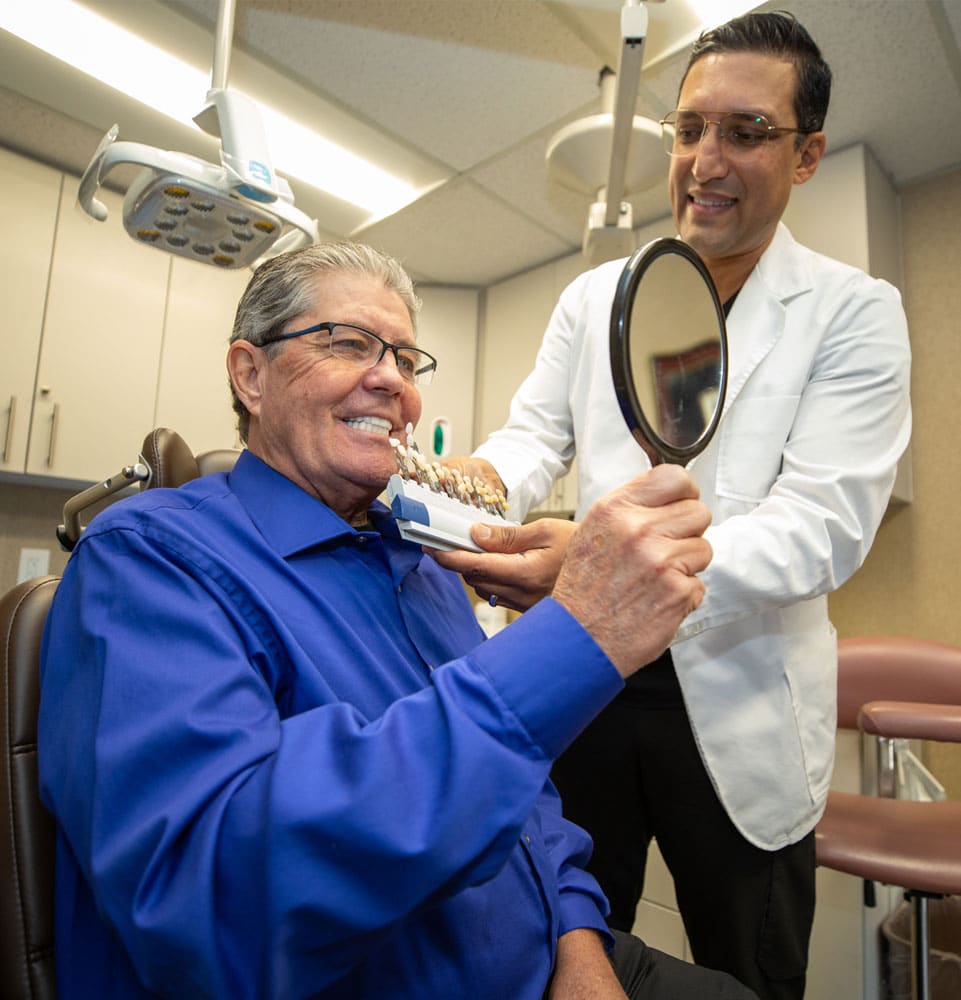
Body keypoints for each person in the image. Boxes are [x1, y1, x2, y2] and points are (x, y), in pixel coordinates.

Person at [37, 242, 759, 1000]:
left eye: (407, 360)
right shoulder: (151, 561)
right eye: (346, 343)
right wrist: (574, 636)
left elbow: (527, 803)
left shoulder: (426, 567)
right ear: (250, 374)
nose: (391, 380)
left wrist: (578, 949)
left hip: (550, 951)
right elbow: (215, 908)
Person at [431, 12, 912, 1000]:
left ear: (808, 153)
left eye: (744, 131)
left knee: (749, 970)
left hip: (738, 704)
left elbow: (820, 525)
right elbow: (531, 438)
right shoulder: (597, 295)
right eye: (689, 129)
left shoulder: (851, 312)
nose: (704, 159)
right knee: (572, 943)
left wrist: (625, 562)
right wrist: (476, 482)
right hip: (592, 676)